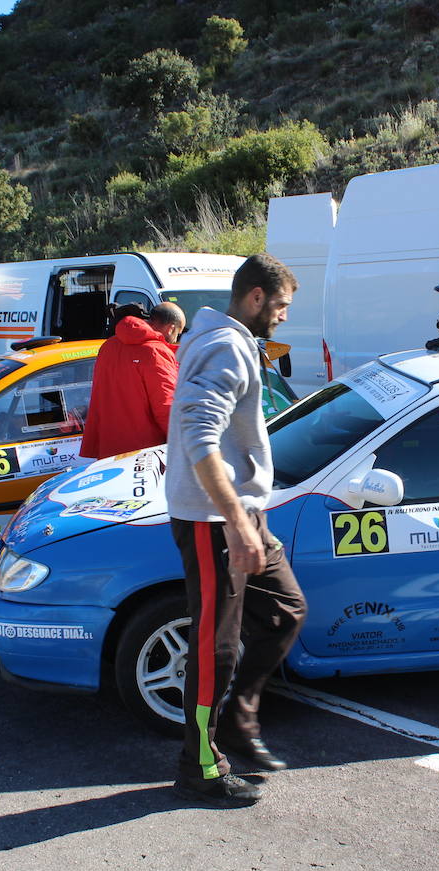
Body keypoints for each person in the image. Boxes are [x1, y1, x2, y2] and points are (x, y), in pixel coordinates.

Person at [165, 254, 307, 807]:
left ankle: (236, 720)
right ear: (254, 297)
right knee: (215, 647)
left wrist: (250, 519)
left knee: (284, 611)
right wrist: (234, 521)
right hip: (211, 520)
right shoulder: (224, 346)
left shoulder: (228, 340)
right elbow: (199, 435)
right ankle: (200, 766)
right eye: (281, 306)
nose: (284, 318)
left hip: (239, 513)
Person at [79, 301, 185, 460]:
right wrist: (185, 444)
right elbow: (166, 406)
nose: (175, 339)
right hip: (144, 455)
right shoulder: (155, 352)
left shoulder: (108, 346)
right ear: (171, 328)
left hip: (108, 448)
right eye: (178, 334)